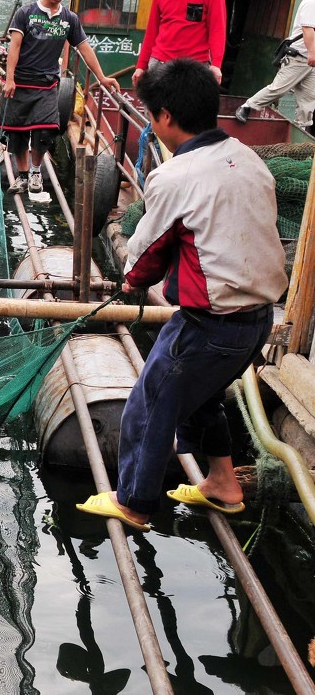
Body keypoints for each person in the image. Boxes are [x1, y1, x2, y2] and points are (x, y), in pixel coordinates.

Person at [77, 59, 288, 531]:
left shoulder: (176, 175)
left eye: (151, 116)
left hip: (211, 323)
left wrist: (130, 279)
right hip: (258, 319)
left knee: (150, 404)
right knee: (204, 398)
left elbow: (147, 251)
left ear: (166, 117)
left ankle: (133, 502)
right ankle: (223, 484)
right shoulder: (247, 155)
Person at [1, 0, 121, 193]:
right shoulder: (25, 13)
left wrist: (102, 77)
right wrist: (9, 79)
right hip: (20, 82)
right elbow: (14, 47)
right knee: (16, 132)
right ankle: (23, 175)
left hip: (47, 84)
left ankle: (36, 171)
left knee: (45, 130)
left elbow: (84, 48)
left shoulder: (69, 19)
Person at [235, 0, 315, 129]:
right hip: (300, 56)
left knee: (308, 99)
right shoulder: (311, 2)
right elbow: (307, 30)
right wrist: (312, 53)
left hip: (311, 61)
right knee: (278, 89)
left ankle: (301, 132)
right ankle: (248, 106)